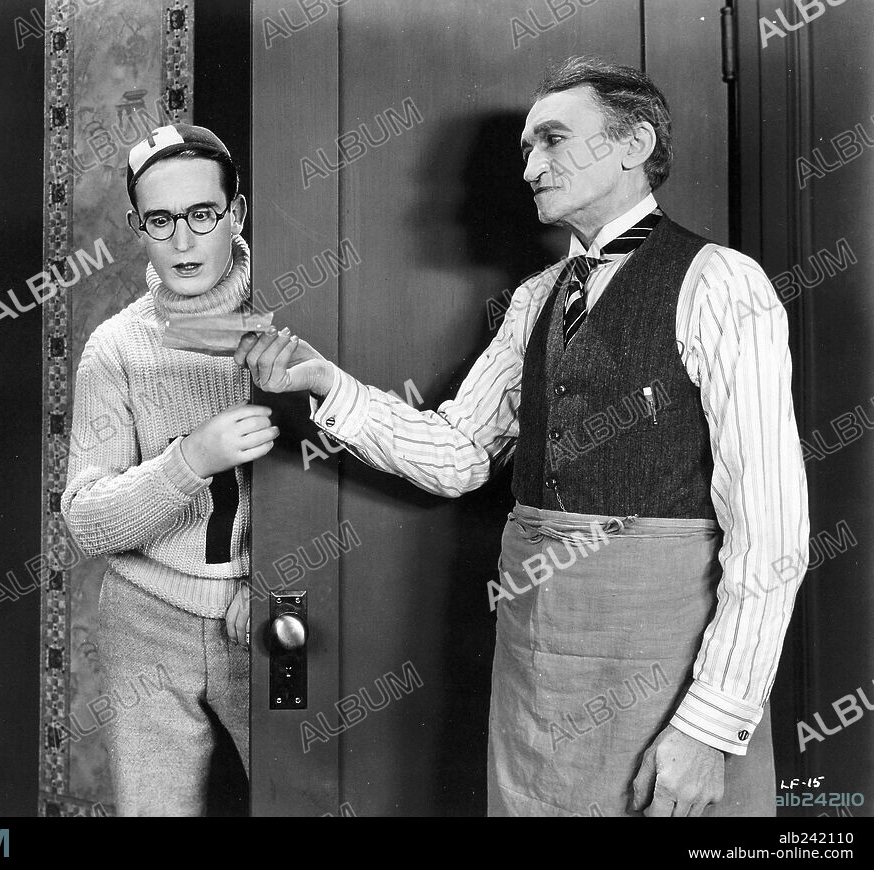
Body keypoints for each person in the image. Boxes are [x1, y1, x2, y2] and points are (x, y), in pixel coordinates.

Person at [236, 57, 810, 817]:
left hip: (668, 665)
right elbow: (458, 456)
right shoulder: (536, 300)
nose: (532, 168)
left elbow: (771, 536)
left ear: (633, 144)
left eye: (552, 140)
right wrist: (323, 385)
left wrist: (709, 728)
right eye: (526, 151)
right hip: (539, 667)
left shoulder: (723, 284)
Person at [61, 123, 278, 816]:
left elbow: (330, 478)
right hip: (147, 616)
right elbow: (87, 518)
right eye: (161, 220)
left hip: (265, 616)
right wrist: (191, 460)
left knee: (307, 792)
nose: (183, 241)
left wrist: (273, 580)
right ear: (137, 227)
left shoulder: (292, 318)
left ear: (236, 212)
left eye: (202, 215)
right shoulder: (115, 348)